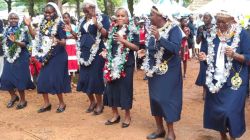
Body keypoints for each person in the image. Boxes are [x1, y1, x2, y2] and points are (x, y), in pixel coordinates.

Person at [198, 11, 250, 140]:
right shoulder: (212, 34)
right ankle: (223, 137)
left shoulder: (242, 34)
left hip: (235, 80)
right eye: (218, 21)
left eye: (224, 22)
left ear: (232, 21)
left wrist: (234, 55)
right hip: (215, 79)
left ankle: (232, 137)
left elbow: (249, 57)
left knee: (230, 112)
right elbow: (207, 53)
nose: (220, 25)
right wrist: (204, 57)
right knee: (216, 112)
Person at [138, 5, 183, 140]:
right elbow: (153, 49)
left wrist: (159, 37)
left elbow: (175, 49)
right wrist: (145, 52)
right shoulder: (152, 29)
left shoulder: (174, 29)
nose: (149, 16)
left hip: (169, 70)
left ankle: (170, 131)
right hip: (154, 70)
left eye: (152, 14)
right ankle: (159, 129)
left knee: (167, 99)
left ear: (161, 16)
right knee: (155, 99)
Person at [26, 2, 71, 113]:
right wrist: (28, 25)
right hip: (46, 57)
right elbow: (35, 37)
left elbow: (64, 42)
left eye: (49, 12)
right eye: (45, 12)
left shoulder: (60, 24)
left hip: (58, 56)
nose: (47, 14)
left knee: (56, 80)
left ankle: (62, 103)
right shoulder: (42, 24)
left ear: (54, 12)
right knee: (42, 80)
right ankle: (47, 104)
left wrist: (57, 41)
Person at [100, 7, 139, 128]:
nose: (120, 18)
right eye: (118, 15)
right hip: (112, 63)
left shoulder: (132, 30)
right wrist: (106, 52)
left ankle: (127, 116)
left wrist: (123, 41)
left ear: (128, 18)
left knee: (125, 89)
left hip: (126, 64)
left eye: (123, 16)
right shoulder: (113, 29)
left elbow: (136, 47)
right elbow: (110, 45)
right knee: (111, 88)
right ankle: (115, 114)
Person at [76, 0, 110, 115]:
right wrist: (71, 31)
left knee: (95, 78)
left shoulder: (103, 17)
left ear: (94, 7)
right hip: (84, 52)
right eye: (85, 9)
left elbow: (106, 34)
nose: (86, 11)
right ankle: (92, 101)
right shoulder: (82, 20)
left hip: (97, 52)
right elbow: (80, 35)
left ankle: (100, 103)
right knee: (84, 78)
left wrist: (97, 24)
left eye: (89, 8)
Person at [0, 12, 35, 109]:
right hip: (9, 56)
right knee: (5, 78)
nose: (13, 20)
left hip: (21, 57)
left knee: (20, 78)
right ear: (8, 20)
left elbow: (25, 44)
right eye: (11, 18)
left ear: (18, 20)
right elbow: (4, 44)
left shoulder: (23, 30)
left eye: (15, 18)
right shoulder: (6, 30)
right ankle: (14, 96)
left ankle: (23, 100)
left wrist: (15, 41)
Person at [195, 13, 213, 100]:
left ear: (211, 19)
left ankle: (212, 89)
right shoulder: (200, 28)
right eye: (204, 18)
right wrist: (201, 34)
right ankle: (205, 91)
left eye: (206, 18)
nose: (205, 19)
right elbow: (197, 42)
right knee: (203, 70)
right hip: (203, 50)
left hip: (212, 50)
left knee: (212, 68)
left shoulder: (215, 27)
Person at [63, 12, 79, 88]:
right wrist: (71, 36)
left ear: (69, 18)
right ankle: (67, 82)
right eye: (64, 17)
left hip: (73, 46)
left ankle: (72, 82)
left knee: (73, 63)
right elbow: (63, 37)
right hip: (66, 46)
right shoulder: (62, 27)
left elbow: (77, 36)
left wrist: (72, 36)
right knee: (67, 63)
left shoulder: (74, 26)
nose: (66, 19)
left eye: (67, 17)